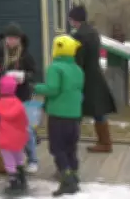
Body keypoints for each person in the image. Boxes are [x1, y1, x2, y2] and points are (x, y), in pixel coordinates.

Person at [34, 34, 85, 197]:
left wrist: (35, 87)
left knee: (57, 147)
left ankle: (67, 179)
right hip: (75, 114)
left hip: (58, 114)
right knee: (71, 147)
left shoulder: (55, 68)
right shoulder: (78, 69)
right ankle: (74, 174)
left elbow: (53, 89)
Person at [0, 23, 39, 173]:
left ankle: (32, 160)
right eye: (8, 38)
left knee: (26, 128)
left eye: (14, 39)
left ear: (19, 39)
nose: (10, 41)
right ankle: (10, 160)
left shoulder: (25, 55)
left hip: (22, 96)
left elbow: (34, 74)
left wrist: (23, 76)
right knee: (6, 128)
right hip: (4, 97)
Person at [68, 5, 116, 153]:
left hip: (84, 77)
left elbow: (78, 60)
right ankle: (105, 141)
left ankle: (70, 142)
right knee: (98, 110)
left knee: (76, 111)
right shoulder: (93, 32)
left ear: (74, 20)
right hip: (96, 74)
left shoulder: (79, 36)